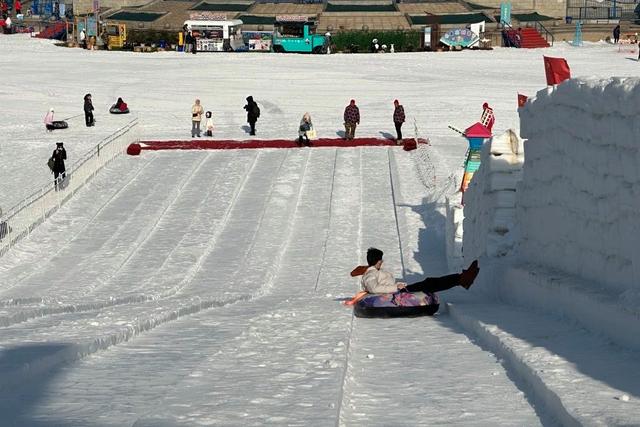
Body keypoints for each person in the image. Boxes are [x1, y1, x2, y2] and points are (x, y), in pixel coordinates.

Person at [359, 247, 479, 295]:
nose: (382, 262)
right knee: (429, 283)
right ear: (377, 261)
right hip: (397, 294)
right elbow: (374, 289)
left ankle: (462, 278)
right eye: (381, 260)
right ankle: (462, 279)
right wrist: (396, 287)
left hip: (397, 293)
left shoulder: (372, 272)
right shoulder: (370, 274)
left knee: (429, 282)